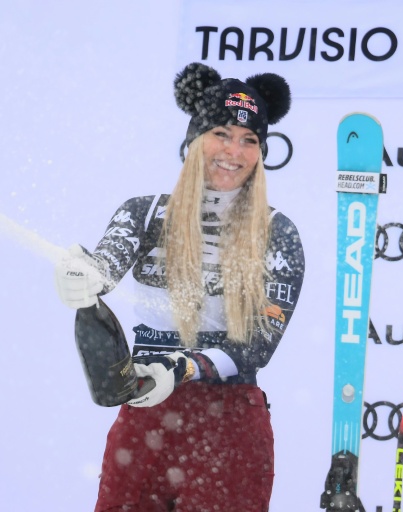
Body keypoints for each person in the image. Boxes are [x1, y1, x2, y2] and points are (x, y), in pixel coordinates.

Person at [54, 62, 304, 511]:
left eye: (250, 140)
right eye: (222, 133)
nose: (235, 150)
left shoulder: (277, 233)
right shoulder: (144, 214)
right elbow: (103, 266)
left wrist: (180, 368)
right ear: (193, 141)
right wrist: (80, 276)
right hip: (145, 419)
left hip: (230, 428)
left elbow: (257, 347)